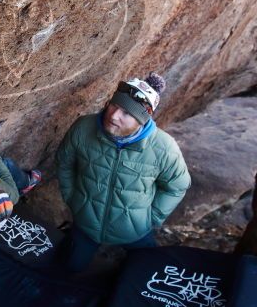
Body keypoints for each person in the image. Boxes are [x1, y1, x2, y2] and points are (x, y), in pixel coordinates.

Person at [55, 72, 191, 272]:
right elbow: (64, 162)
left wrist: (151, 218)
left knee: (146, 276)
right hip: (87, 224)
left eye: (127, 113)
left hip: (135, 231)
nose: (114, 115)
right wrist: (72, 198)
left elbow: (178, 185)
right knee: (66, 273)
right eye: (114, 105)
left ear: (142, 120)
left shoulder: (163, 148)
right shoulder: (84, 128)